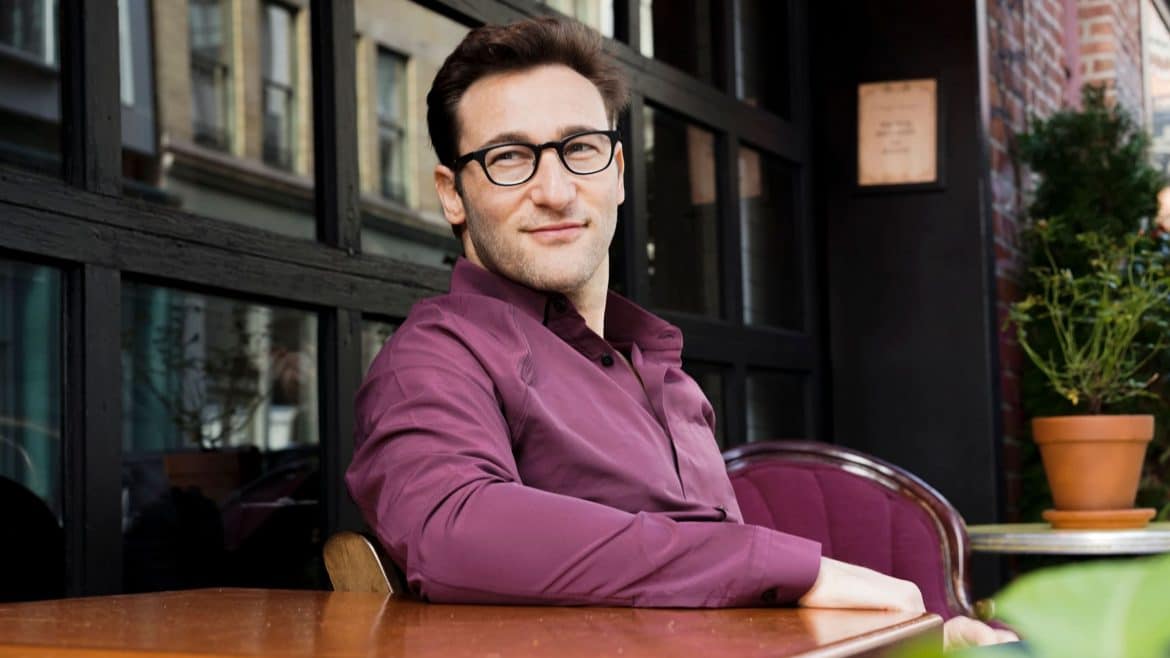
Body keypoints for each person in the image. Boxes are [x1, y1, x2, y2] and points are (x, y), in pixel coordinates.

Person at [346, 16, 1017, 650]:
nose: (555, 190)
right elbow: (451, 531)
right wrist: (795, 568)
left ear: (616, 175)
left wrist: (919, 636)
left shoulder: (663, 374)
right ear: (452, 193)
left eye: (579, 149)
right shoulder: (437, 358)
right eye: (510, 157)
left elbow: (722, 592)